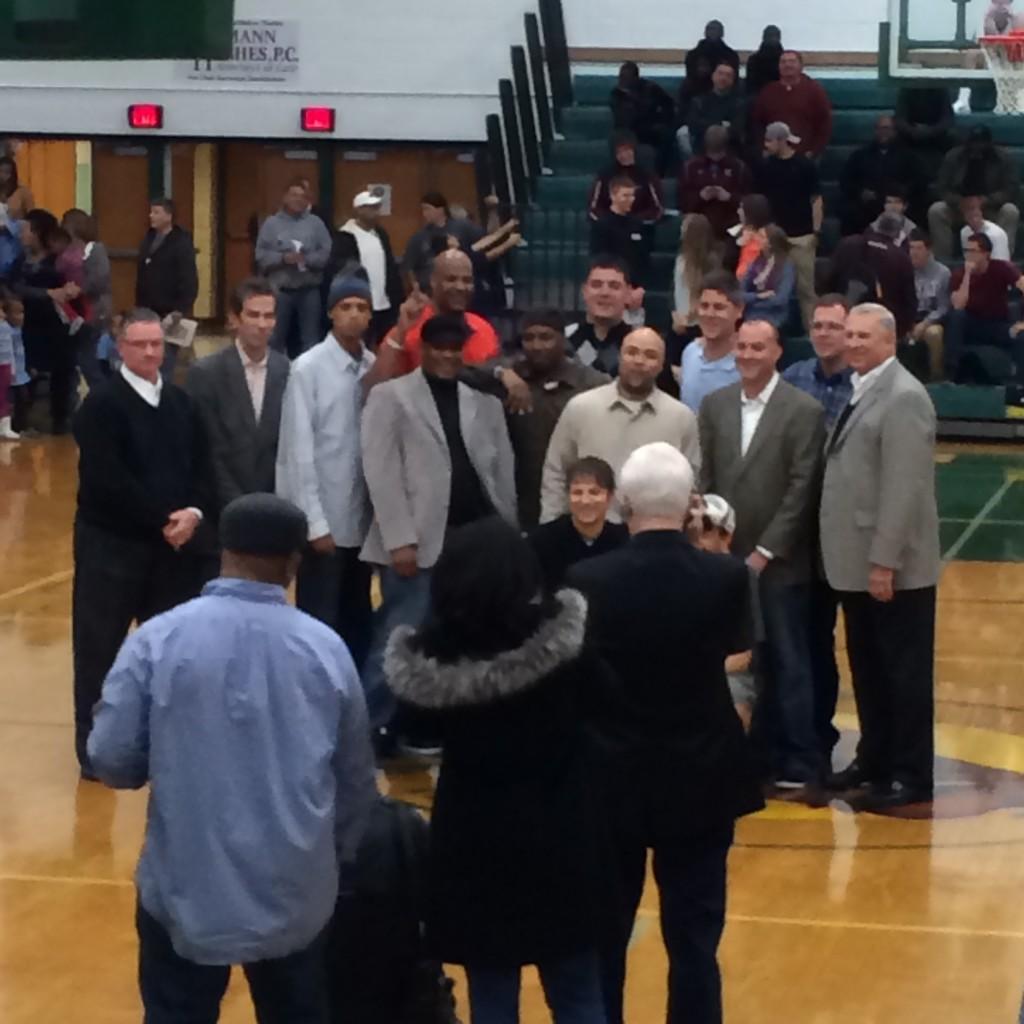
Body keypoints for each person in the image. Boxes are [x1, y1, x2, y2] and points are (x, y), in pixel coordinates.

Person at [87, 492, 377, 1023]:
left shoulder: (159, 638)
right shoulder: (326, 649)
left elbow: (110, 757)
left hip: (185, 889)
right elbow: (355, 780)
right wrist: (334, 862)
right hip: (297, 894)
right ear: (294, 563)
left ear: (222, 549)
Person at [567, 442, 764, 1024]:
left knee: (606, 935)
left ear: (624, 502)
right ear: (688, 505)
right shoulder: (725, 577)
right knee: (695, 942)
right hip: (701, 774)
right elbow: (736, 655)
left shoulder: (586, 578)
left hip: (611, 775)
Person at [385, 518, 609, 1023]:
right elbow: (607, 707)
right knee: (576, 991)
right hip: (563, 835)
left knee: (490, 993)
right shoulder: (567, 650)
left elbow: (411, 726)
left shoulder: (434, 658)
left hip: (473, 843)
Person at [360, 313, 517, 741]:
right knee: (398, 642)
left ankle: (429, 733)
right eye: (440, 348)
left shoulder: (482, 402)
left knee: (461, 646)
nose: (448, 355)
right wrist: (399, 540)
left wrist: (509, 536)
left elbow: (502, 473)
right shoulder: (389, 397)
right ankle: (359, 732)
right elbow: (381, 472)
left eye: (455, 348)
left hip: (476, 543)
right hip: (417, 544)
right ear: (423, 349)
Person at [71, 308, 213, 778]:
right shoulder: (101, 406)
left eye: (157, 344)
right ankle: (95, 752)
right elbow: (108, 480)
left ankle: (166, 745)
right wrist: (162, 520)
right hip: (112, 550)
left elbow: (202, 468)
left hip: (173, 553)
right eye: (140, 344)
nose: (151, 352)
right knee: (100, 651)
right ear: (121, 347)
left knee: (170, 656)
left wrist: (192, 513)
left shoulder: (181, 403)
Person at [821, 303, 939, 811]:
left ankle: (911, 775)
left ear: (890, 341)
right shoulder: (864, 387)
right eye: (848, 334)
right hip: (856, 563)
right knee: (869, 669)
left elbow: (903, 487)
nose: (852, 343)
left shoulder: (905, 397)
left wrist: (884, 560)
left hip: (893, 569)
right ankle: (875, 759)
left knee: (903, 674)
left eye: (863, 336)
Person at [699, 320, 826, 791]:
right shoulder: (714, 406)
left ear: (777, 352)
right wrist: (714, 543)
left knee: (790, 662)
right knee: (737, 661)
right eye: (743, 346)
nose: (749, 354)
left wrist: (766, 550)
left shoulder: (804, 410)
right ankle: (745, 754)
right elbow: (706, 479)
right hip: (725, 562)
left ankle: (799, 760)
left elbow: (801, 488)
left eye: (759, 346)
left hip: (782, 564)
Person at [276, 274, 376, 669]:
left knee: (357, 622)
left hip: (362, 525)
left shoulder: (373, 367)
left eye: (362, 308)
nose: (354, 315)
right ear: (331, 312)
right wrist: (314, 522)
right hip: (326, 527)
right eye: (346, 307)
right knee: (319, 624)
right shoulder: (308, 369)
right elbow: (297, 451)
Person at [782, 295, 853, 765]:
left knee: (835, 639)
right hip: (796, 530)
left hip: (845, 531)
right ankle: (803, 732)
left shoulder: (862, 386)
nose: (824, 333)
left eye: (834, 326)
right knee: (803, 636)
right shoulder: (793, 379)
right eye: (818, 325)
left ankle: (828, 732)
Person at [540, 327, 700, 521]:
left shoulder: (681, 417)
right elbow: (556, 472)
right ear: (620, 357)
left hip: (650, 539)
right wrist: (552, 526)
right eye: (631, 352)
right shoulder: (581, 408)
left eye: (650, 356)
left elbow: (690, 486)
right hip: (588, 535)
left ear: (661, 365)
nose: (639, 361)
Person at [484, 309, 608, 529]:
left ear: (562, 339)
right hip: (522, 498)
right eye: (529, 338)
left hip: (576, 497)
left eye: (545, 337)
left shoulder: (590, 383)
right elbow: (465, 371)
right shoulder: (513, 375)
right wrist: (502, 373)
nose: (537, 345)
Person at [186, 279, 290, 512]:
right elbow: (207, 449)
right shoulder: (205, 373)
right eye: (253, 315)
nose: (262, 324)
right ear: (234, 318)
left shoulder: (288, 371)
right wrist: (237, 506)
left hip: (274, 506)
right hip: (220, 508)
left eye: (269, 316)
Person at [368, 249, 499, 387]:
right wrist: (400, 333)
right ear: (433, 281)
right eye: (451, 279)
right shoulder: (408, 328)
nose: (460, 287)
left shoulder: (483, 329)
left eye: (467, 280)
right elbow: (374, 389)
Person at [694, 493, 759, 732]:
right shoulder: (681, 571)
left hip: (729, 673)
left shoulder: (742, 577)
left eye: (707, 529)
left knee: (733, 699)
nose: (698, 539)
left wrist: (702, 670)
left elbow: (746, 656)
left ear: (727, 535)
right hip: (686, 667)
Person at [11, 209, 77, 434]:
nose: (21, 235)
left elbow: (69, 291)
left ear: (37, 233)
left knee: (60, 372)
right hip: (27, 324)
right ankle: (22, 420)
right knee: (24, 371)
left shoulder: (57, 262)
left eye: (25, 230)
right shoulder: (22, 260)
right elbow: (14, 286)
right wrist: (47, 293)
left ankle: (60, 420)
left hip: (55, 325)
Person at [752, 123, 822, 330]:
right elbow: (760, 200)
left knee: (805, 289)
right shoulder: (764, 167)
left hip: (801, 235)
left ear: (781, 141)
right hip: (773, 237)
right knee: (768, 286)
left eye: (769, 140)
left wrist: (815, 231)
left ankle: (812, 331)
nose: (765, 145)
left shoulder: (805, 166)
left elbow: (816, 200)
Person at [256, 180, 332, 358]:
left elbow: (327, 253)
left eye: (303, 196)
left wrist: (307, 259)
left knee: (311, 340)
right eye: (294, 195)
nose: (298, 200)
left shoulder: (316, 223)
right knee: (274, 338)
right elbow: (260, 255)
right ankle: (273, 378)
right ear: (285, 198)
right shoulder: (271, 224)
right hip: (279, 291)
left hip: (309, 291)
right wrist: (282, 258)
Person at [530, 456, 628, 590]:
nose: (585, 501)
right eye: (577, 492)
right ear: (567, 496)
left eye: (594, 492)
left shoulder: (624, 542)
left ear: (609, 497)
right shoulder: (541, 541)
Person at [929, 126, 1021, 261]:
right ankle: (943, 262)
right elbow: (941, 188)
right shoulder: (953, 157)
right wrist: (959, 201)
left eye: (982, 143)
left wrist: (986, 200)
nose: (978, 147)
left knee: (1010, 211)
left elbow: (1011, 189)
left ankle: (1002, 262)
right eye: (974, 143)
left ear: (989, 144)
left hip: (990, 208)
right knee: (936, 210)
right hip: (959, 208)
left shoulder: (1003, 159)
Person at [328, 190, 404, 346]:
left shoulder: (381, 234)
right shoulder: (346, 235)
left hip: (383, 301)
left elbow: (389, 265)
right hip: (360, 300)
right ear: (358, 209)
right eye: (369, 207)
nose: (374, 212)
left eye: (376, 207)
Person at [946, 233, 1024, 382]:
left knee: (1021, 336)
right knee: (956, 316)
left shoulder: (1001, 268)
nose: (968, 255)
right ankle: (952, 374)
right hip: (971, 325)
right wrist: (968, 274)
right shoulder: (959, 274)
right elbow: (958, 305)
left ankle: (1018, 385)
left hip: (997, 325)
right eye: (966, 251)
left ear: (986, 253)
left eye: (973, 251)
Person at [825, 214, 918, 339]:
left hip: (842, 319)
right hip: (880, 328)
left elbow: (827, 281)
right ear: (897, 234)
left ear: (875, 227)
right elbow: (909, 301)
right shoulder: (901, 258)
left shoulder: (847, 244)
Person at [135, 198, 199, 380]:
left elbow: (189, 279)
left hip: (170, 312)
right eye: (151, 212)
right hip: (147, 310)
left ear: (169, 216)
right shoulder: (148, 238)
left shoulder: (181, 242)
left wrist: (180, 309)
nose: (151, 216)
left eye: (156, 212)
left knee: (167, 361)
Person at [839, 115, 925, 236]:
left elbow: (918, 182)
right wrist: (860, 192)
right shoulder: (860, 155)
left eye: (887, 129)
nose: (883, 132)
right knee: (851, 212)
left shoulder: (908, 156)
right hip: (868, 205)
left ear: (895, 131)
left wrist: (901, 196)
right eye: (880, 129)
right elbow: (846, 181)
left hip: (897, 204)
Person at [678, 269, 743, 413]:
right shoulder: (690, 353)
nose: (710, 314)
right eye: (704, 306)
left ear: (739, 310)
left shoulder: (747, 362)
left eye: (719, 307)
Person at [751, 51, 833, 159]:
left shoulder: (815, 91)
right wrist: (764, 147)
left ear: (801, 66)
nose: (787, 65)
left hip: (804, 156)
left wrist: (813, 151)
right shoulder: (768, 91)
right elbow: (757, 123)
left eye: (792, 61)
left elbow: (824, 123)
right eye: (783, 62)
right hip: (773, 156)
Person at [679, 124, 751, 239]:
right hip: (698, 228)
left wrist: (729, 197)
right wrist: (700, 196)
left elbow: (750, 202)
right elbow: (682, 202)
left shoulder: (739, 168)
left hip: (730, 229)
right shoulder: (690, 167)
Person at [565, 257, 634, 377]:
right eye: (596, 285)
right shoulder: (565, 338)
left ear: (628, 293)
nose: (605, 293)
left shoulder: (638, 343)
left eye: (614, 286)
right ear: (584, 291)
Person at [670, 214, 725, 365]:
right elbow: (674, 288)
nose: (681, 230)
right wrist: (675, 314)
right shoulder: (681, 258)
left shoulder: (710, 261)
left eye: (684, 227)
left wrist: (690, 315)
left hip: (696, 323)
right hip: (679, 321)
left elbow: (709, 290)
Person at [402, 192, 484, 292]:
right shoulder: (419, 237)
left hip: (459, 286)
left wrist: (459, 248)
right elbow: (408, 267)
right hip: (429, 290)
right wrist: (416, 291)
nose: (424, 214)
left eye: (427, 209)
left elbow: (483, 241)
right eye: (423, 210)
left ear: (440, 209)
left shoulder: (462, 227)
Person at [609, 61, 676, 171]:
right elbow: (623, 119)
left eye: (627, 77)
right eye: (621, 77)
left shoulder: (650, 88)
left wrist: (662, 119)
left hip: (651, 127)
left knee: (667, 134)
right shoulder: (616, 95)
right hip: (629, 131)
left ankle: (660, 173)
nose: (623, 81)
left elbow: (668, 103)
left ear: (636, 78)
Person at [588, 131, 664, 224]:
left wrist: (634, 220)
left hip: (640, 226)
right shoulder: (605, 175)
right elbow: (594, 208)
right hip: (610, 227)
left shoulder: (647, 175)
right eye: (619, 152)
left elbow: (657, 209)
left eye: (627, 150)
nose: (624, 155)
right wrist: (611, 220)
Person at [589, 176, 652, 288]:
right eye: (625, 195)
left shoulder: (637, 224)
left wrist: (639, 287)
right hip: (612, 284)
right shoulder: (602, 224)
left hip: (633, 286)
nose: (631, 199)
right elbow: (599, 257)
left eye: (632, 195)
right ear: (613, 196)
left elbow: (643, 258)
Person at [909, 230, 951, 380]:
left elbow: (943, 307)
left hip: (931, 319)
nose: (914, 253)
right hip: (909, 318)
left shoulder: (942, 272)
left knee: (934, 333)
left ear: (928, 250)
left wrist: (925, 323)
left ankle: (937, 376)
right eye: (911, 248)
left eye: (918, 248)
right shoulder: (905, 270)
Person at [740, 224, 795, 328]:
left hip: (774, 316)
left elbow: (781, 299)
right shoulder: (754, 263)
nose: (756, 238)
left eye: (761, 236)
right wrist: (757, 296)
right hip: (751, 315)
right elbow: (740, 293)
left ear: (771, 243)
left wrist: (753, 303)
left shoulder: (786, 266)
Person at [685, 62, 745, 156]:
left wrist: (709, 123)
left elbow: (736, 130)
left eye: (728, 75)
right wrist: (720, 124)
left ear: (733, 80)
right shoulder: (699, 102)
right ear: (713, 76)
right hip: (702, 146)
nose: (723, 78)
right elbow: (694, 126)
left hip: (729, 149)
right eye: (720, 73)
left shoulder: (739, 104)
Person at [894, 86, 955, 165]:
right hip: (910, 135)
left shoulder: (941, 89)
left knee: (954, 139)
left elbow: (947, 119)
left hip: (936, 134)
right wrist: (913, 131)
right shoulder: (906, 88)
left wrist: (930, 131)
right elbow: (900, 118)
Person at [731, 193, 775, 280]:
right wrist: (737, 245)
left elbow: (742, 274)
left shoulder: (763, 238)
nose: (738, 211)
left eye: (741, 209)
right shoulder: (740, 232)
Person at [959, 194, 1012, 260]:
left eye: (973, 209)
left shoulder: (996, 234)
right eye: (967, 210)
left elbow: (1001, 265)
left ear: (981, 211)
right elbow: (970, 263)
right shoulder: (964, 233)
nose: (970, 214)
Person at [5, 297, 29, 436]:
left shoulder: (19, 330)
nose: (21, 317)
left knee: (23, 400)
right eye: (16, 313)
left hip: (21, 374)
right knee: (10, 402)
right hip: (9, 373)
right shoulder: (6, 331)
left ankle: (20, 428)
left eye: (22, 312)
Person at [746, 25, 783, 97]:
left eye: (776, 36)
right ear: (763, 38)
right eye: (770, 36)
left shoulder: (784, 60)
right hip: (759, 98)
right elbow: (750, 87)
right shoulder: (754, 60)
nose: (773, 39)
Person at [0, 298, 16, 439]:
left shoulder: (6, 326)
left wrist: (13, 368)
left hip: (5, 364)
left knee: (4, 396)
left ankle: (5, 428)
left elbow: (10, 348)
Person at [0, 154, 34, 220]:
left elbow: (32, 217)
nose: (2, 176)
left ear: (14, 174)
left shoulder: (24, 192)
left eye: (7, 172)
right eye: (0, 171)